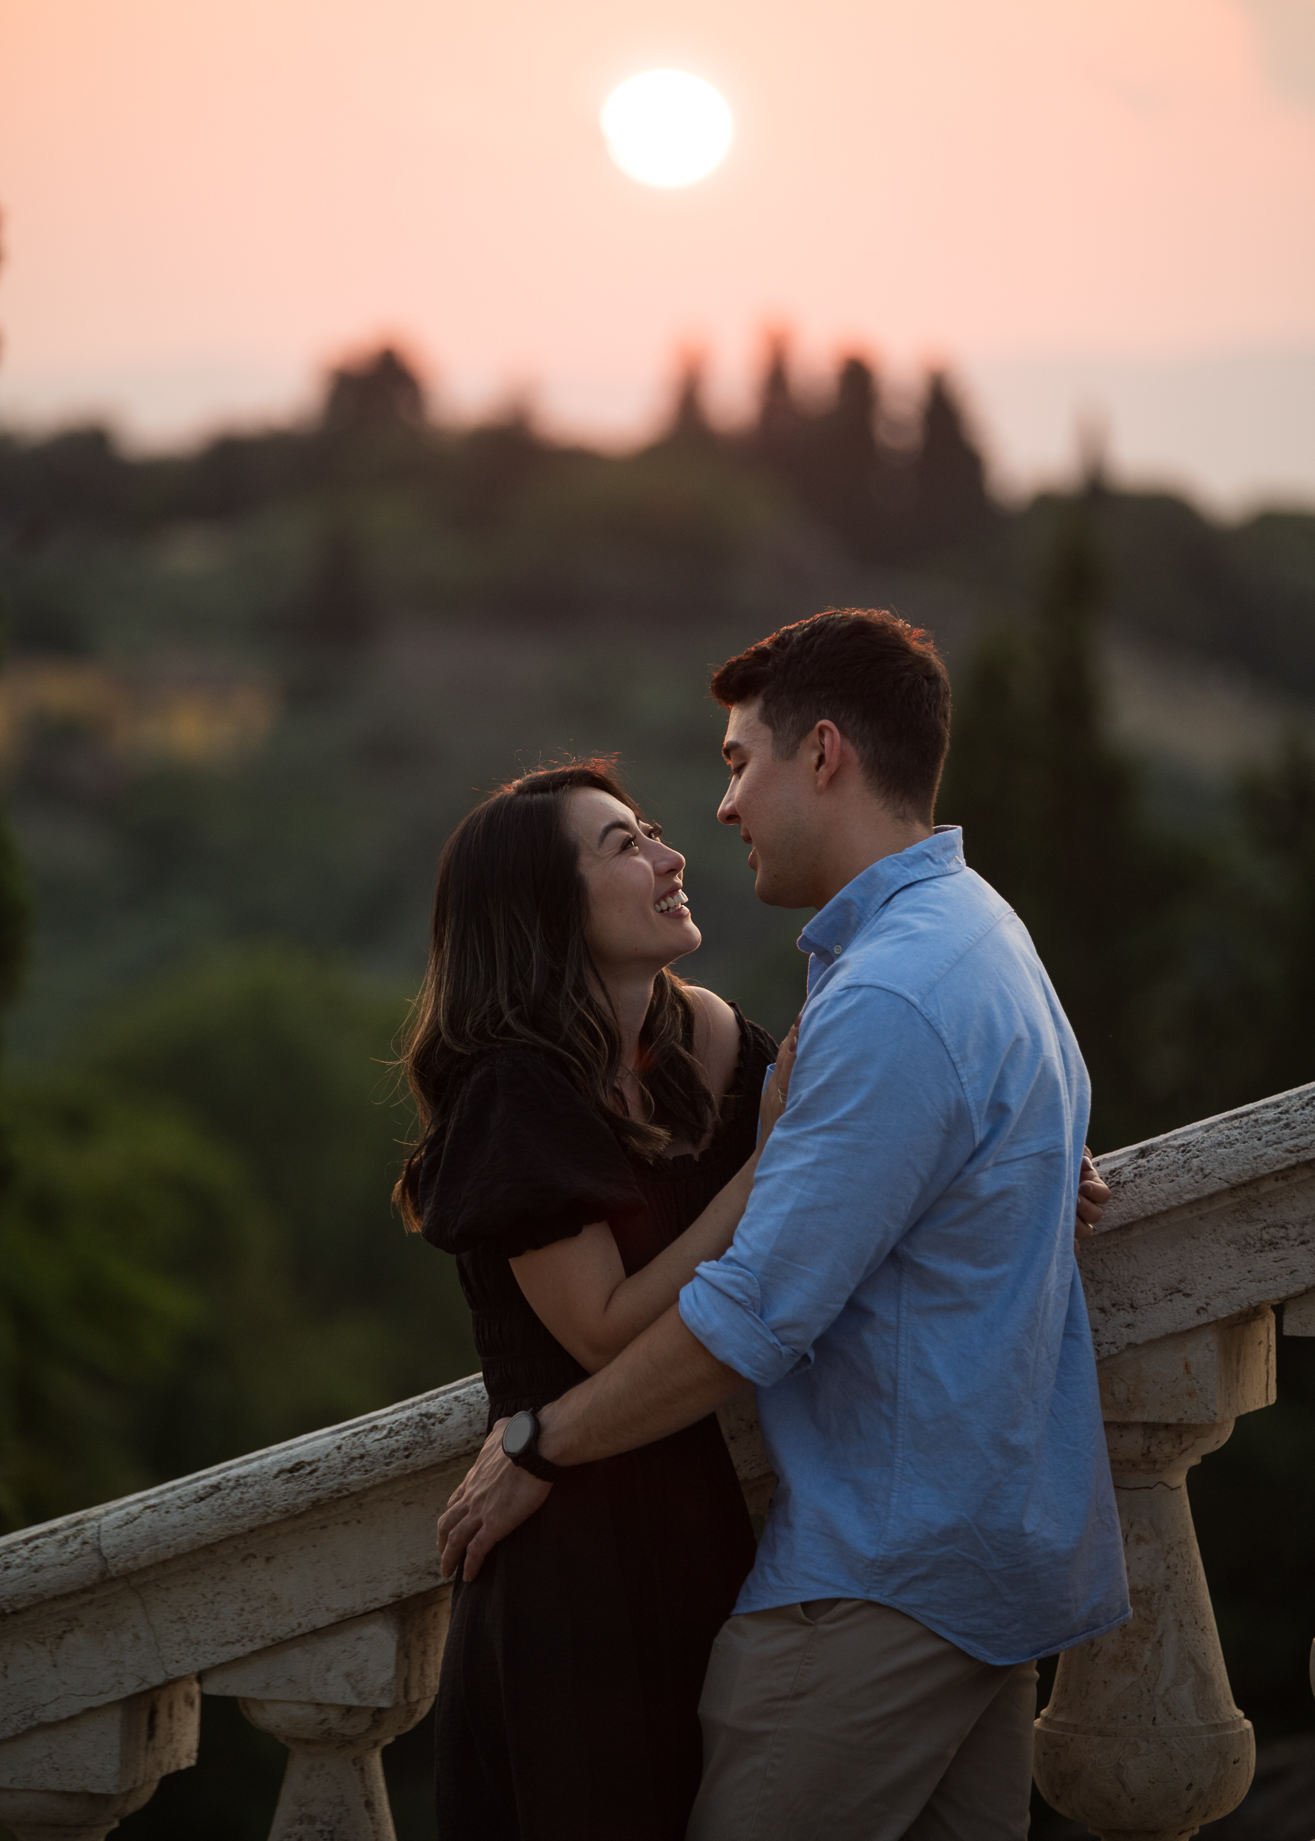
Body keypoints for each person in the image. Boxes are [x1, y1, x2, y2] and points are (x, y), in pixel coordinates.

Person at [437, 607, 1130, 1841]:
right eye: (629, 838)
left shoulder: (890, 992)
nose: (713, 814)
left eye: (736, 763)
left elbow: (752, 1312)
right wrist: (1005, 1159)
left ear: (821, 753)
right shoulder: (971, 928)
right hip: (955, 1554)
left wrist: (537, 1442)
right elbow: (862, 1145)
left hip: (880, 1572)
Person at [395, 762, 798, 1841]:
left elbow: (854, 1148)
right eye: (626, 845)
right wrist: (765, 1170)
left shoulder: (705, 1040)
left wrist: (1030, 1165)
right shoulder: (510, 1088)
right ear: (543, 907)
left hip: (699, 1521)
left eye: (652, 832)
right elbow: (605, 1330)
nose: (670, 858)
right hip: (566, 1568)